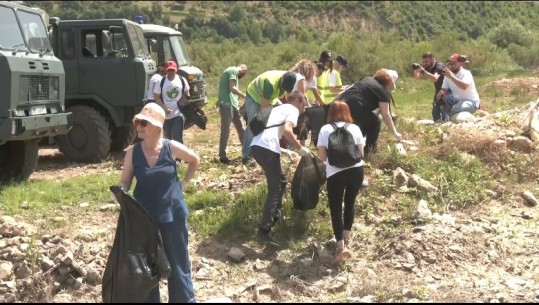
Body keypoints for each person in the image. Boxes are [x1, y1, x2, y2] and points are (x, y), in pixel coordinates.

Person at [118, 102, 200, 303]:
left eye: (144, 123)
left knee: (177, 260)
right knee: (147, 264)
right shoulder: (133, 152)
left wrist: (184, 183)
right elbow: (125, 182)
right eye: (138, 122)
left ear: (157, 126)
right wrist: (120, 193)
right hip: (145, 218)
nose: (138, 127)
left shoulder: (171, 147)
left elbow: (194, 159)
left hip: (173, 213)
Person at [250, 91, 311, 245]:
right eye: (304, 104)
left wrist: (286, 151)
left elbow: (270, 134)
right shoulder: (292, 109)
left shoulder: (276, 109)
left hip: (257, 147)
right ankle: (264, 230)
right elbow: (287, 131)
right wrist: (300, 148)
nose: (303, 108)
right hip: (266, 148)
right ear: (297, 101)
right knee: (275, 187)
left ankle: (275, 217)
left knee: (281, 180)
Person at [317, 100, 365, 262]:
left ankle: (341, 247)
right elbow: (361, 153)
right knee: (350, 203)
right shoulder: (355, 128)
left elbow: (322, 157)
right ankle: (348, 236)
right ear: (347, 112)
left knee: (336, 208)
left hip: (335, 173)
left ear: (330, 113)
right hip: (357, 169)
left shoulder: (325, 129)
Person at [241, 70, 305, 166]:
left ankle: (290, 148)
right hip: (254, 96)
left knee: (284, 111)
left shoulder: (289, 80)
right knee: (254, 123)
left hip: (271, 98)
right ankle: (246, 156)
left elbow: (287, 99)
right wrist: (264, 122)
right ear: (281, 81)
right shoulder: (270, 83)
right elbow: (263, 109)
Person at [338, 69, 402, 157]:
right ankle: (370, 150)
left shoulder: (366, 79)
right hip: (355, 105)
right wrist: (395, 133)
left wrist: (333, 102)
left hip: (342, 102)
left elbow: (349, 89)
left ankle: (352, 146)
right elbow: (385, 114)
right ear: (389, 83)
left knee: (364, 122)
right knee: (375, 121)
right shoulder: (383, 92)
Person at [217, 64, 248, 164]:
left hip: (233, 106)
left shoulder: (232, 72)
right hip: (226, 105)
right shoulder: (233, 70)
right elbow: (232, 88)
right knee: (225, 131)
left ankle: (247, 153)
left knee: (241, 129)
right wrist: (245, 96)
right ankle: (222, 156)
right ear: (243, 70)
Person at [154, 60, 190, 143]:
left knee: (178, 138)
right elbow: (156, 97)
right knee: (167, 140)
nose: (171, 72)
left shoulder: (182, 80)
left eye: (172, 70)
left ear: (176, 70)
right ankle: (169, 155)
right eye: (169, 70)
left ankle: (179, 156)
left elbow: (187, 94)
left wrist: (182, 106)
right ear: (166, 70)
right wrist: (164, 108)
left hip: (178, 114)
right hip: (164, 115)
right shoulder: (161, 81)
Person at [437, 53, 480, 121]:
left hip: (471, 102)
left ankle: (448, 117)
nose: (451, 65)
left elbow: (464, 86)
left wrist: (451, 77)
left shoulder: (466, 73)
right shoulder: (448, 75)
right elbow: (444, 90)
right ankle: (445, 118)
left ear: (460, 63)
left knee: (454, 109)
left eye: (454, 63)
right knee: (444, 99)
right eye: (450, 64)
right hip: (457, 101)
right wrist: (441, 94)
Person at [412, 52, 446, 121]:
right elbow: (418, 77)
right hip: (438, 91)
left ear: (432, 60)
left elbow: (435, 79)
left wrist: (423, 70)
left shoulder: (439, 66)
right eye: (423, 62)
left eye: (426, 61)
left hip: (447, 91)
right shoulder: (427, 67)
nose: (425, 63)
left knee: (444, 111)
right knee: (435, 114)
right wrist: (416, 70)